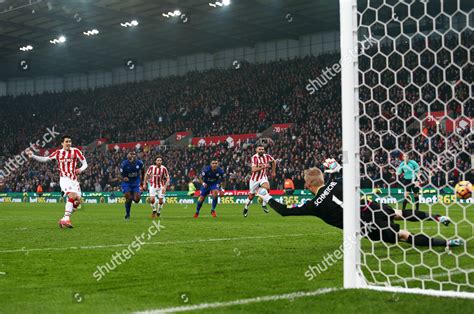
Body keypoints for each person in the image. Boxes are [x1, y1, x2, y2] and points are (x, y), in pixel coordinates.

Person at [256, 158, 463, 248]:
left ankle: (448, 243)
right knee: (399, 213)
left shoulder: (314, 204)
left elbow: (284, 211)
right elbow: (350, 174)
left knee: (403, 235)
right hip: (370, 207)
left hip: (365, 226)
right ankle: (438, 216)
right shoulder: (337, 181)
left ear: (309, 184)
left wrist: (266, 197)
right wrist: (337, 169)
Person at [27, 135, 88, 228]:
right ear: (62, 143)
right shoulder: (58, 153)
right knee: (72, 195)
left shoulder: (76, 151)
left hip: (74, 180)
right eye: (66, 141)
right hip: (64, 179)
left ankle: (63, 219)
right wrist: (33, 156)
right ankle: (67, 219)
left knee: (78, 202)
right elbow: (45, 159)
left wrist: (80, 169)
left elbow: (85, 163)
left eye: (70, 141)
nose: (68, 143)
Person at [243, 145, 276, 217]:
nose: (261, 150)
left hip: (263, 177)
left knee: (267, 188)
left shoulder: (267, 156)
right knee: (251, 196)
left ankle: (264, 205)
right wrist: (264, 166)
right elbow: (253, 169)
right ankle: (246, 208)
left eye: (262, 149)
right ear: (256, 150)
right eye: (260, 149)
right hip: (254, 179)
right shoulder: (254, 157)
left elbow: (274, 161)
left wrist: (273, 171)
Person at [120, 151, 145, 220]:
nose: (132, 156)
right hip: (127, 183)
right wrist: (124, 178)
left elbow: (143, 171)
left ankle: (137, 194)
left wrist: (142, 180)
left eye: (134, 154)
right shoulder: (124, 164)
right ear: (128, 156)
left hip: (136, 182)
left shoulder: (139, 163)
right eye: (131, 154)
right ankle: (127, 214)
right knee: (128, 198)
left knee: (137, 200)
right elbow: (121, 174)